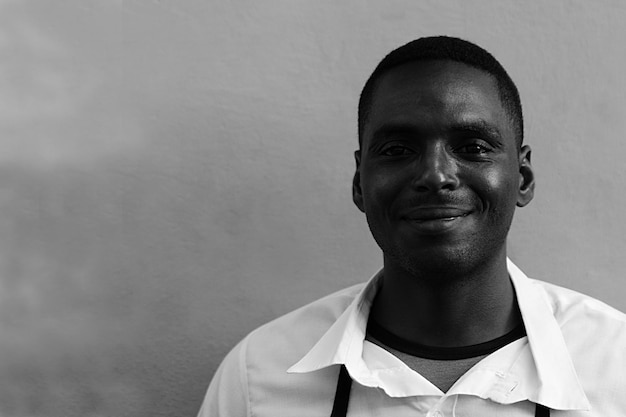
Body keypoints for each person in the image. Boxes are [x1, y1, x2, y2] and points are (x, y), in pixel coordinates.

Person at [198, 36, 626, 416]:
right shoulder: (257, 377)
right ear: (359, 184)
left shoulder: (615, 365)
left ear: (523, 179)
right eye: (398, 149)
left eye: (473, 146)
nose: (436, 175)